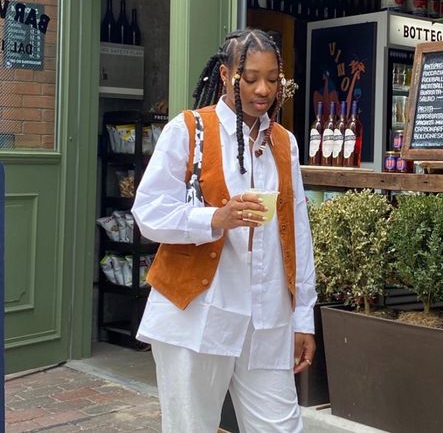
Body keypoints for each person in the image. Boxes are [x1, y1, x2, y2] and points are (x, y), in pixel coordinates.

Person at [132, 29, 317, 433]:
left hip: (267, 320)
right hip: (197, 316)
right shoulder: (189, 130)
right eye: (250, 78)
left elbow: (297, 235)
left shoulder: (284, 144)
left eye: (272, 78)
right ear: (225, 74)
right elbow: (147, 212)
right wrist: (215, 218)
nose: (263, 89)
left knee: (282, 427)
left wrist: (303, 318)